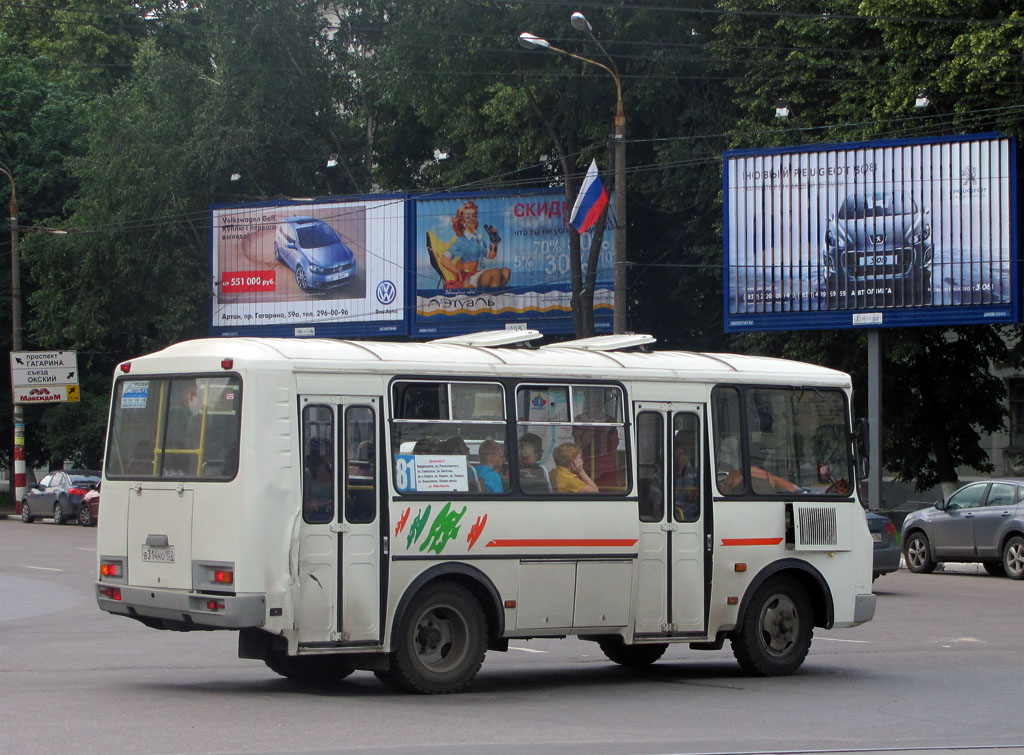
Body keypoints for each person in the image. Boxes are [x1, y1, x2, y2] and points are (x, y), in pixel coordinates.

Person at [440, 201, 511, 289]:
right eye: (468, 217)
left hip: (479, 274)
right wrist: (457, 272)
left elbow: (491, 255)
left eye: (473, 216)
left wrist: (494, 241)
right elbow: (444, 259)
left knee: (506, 271)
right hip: (469, 277)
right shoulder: (461, 241)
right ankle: (493, 298)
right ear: (463, 221)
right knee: (495, 273)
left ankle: (494, 296)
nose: (471, 219)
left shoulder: (478, 240)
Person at [572, 389, 621, 489]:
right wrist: (591, 429)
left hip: (609, 466)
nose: (595, 402)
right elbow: (579, 445)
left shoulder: (610, 421)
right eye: (591, 399)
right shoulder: (579, 420)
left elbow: (614, 444)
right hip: (586, 464)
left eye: (598, 399)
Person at [673, 432, 700, 521]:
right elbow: (656, 509)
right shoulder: (659, 477)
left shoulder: (695, 473)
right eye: (675, 455)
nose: (677, 458)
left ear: (684, 456)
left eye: (680, 454)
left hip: (694, 519)